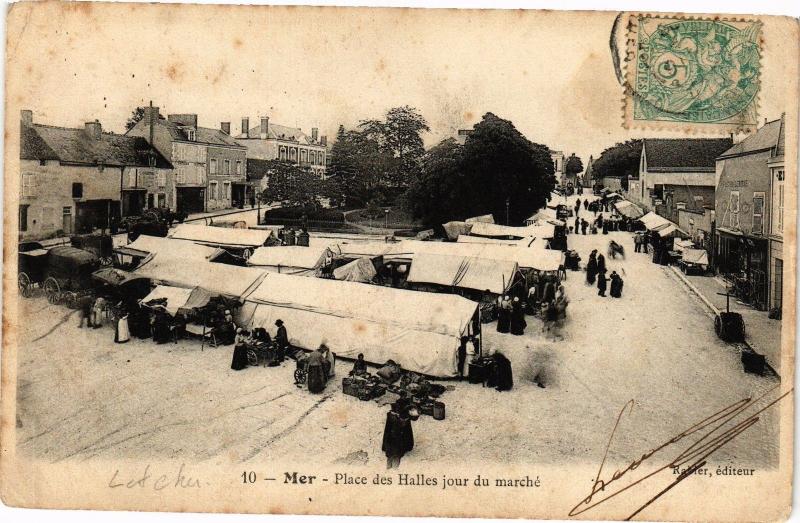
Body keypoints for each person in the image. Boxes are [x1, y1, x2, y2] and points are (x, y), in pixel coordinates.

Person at [382, 392, 415, 469]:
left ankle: (393, 457)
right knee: (395, 437)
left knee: (396, 437)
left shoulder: (405, 403)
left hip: (399, 420)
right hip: (397, 421)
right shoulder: (398, 402)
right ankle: (393, 457)